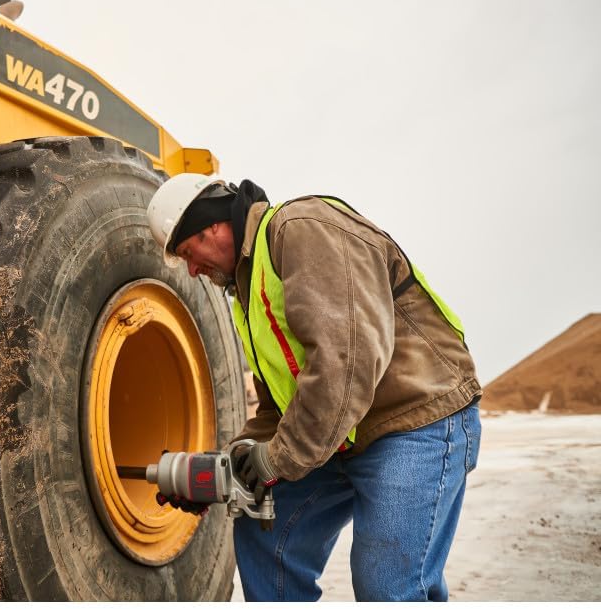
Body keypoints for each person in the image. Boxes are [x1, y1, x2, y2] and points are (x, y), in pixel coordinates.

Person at [146, 174, 482, 602]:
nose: (192, 271)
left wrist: (277, 459)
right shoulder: (247, 296)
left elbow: (346, 362)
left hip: (415, 420)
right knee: (264, 537)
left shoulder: (300, 229)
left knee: (387, 583)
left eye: (187, 254)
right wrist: (226, 468)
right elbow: (278, 409)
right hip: (340, 433)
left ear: (210, 226)